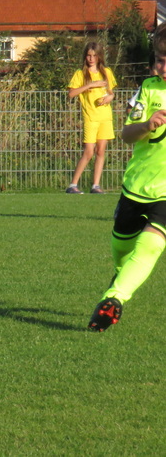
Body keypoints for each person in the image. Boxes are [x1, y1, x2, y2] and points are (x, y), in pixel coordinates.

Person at [88, 26, 166, 331]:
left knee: (151, 246)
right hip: (136, 187)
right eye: (160, 60)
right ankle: (121, 281)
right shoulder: (147, 89)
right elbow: (126, 135)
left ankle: (114, 299)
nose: (163, 67)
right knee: (121, 252)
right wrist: (147, 125)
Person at [66, 42, 116, 194]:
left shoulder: (106, 72)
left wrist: (110, 98)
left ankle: (96, 185)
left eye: (94, 55)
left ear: (99, 56)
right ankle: (73, 185)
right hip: (90, 117)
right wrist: (90, 85)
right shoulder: (80, 74)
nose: (91, 58)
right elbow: (71, 93)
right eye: (89, 55)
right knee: (89, 152)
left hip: (105, 117)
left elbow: (111, 92)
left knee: (101, 151)